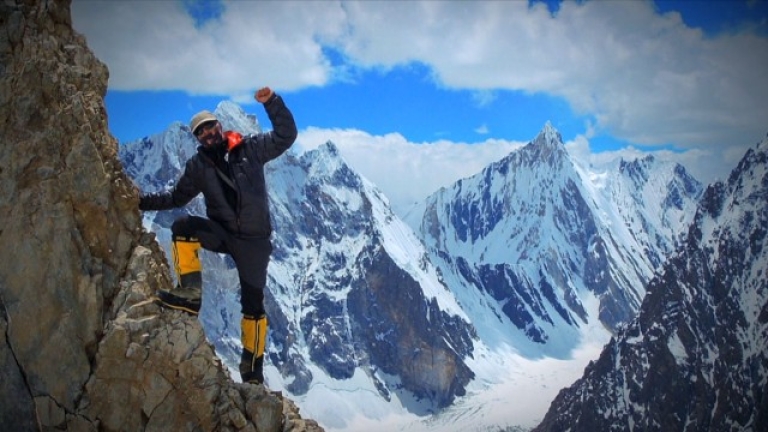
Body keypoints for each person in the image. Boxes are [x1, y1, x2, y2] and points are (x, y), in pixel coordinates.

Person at [138, 86, 297, 385]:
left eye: (210, 127)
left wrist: (272, 103)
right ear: (197, 138)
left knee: (254, 305)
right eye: (201, 132)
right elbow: (176, 197)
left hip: (254, 241)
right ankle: (190, 294)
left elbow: (285, 136)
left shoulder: (250, 148)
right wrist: (141, 201)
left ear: (219, 126)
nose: (208, 134)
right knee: (183, 226)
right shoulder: (197, 167)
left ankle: (252, 368)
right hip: (222, 234)